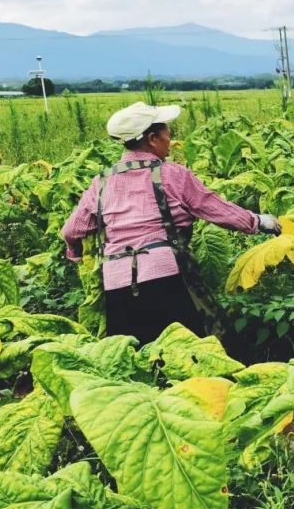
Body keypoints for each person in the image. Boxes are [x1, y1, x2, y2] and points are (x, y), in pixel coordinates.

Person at [62, 102, 282, 345]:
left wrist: (76, 254)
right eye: (167, 132)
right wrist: (260, 221)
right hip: (165, 279)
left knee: (134, 363)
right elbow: (216, 209)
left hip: (116, 283)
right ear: (153, 138)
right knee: (187, 355)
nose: (171, 138)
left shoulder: (101, 183)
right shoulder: (172, 174)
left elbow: (72, 230)